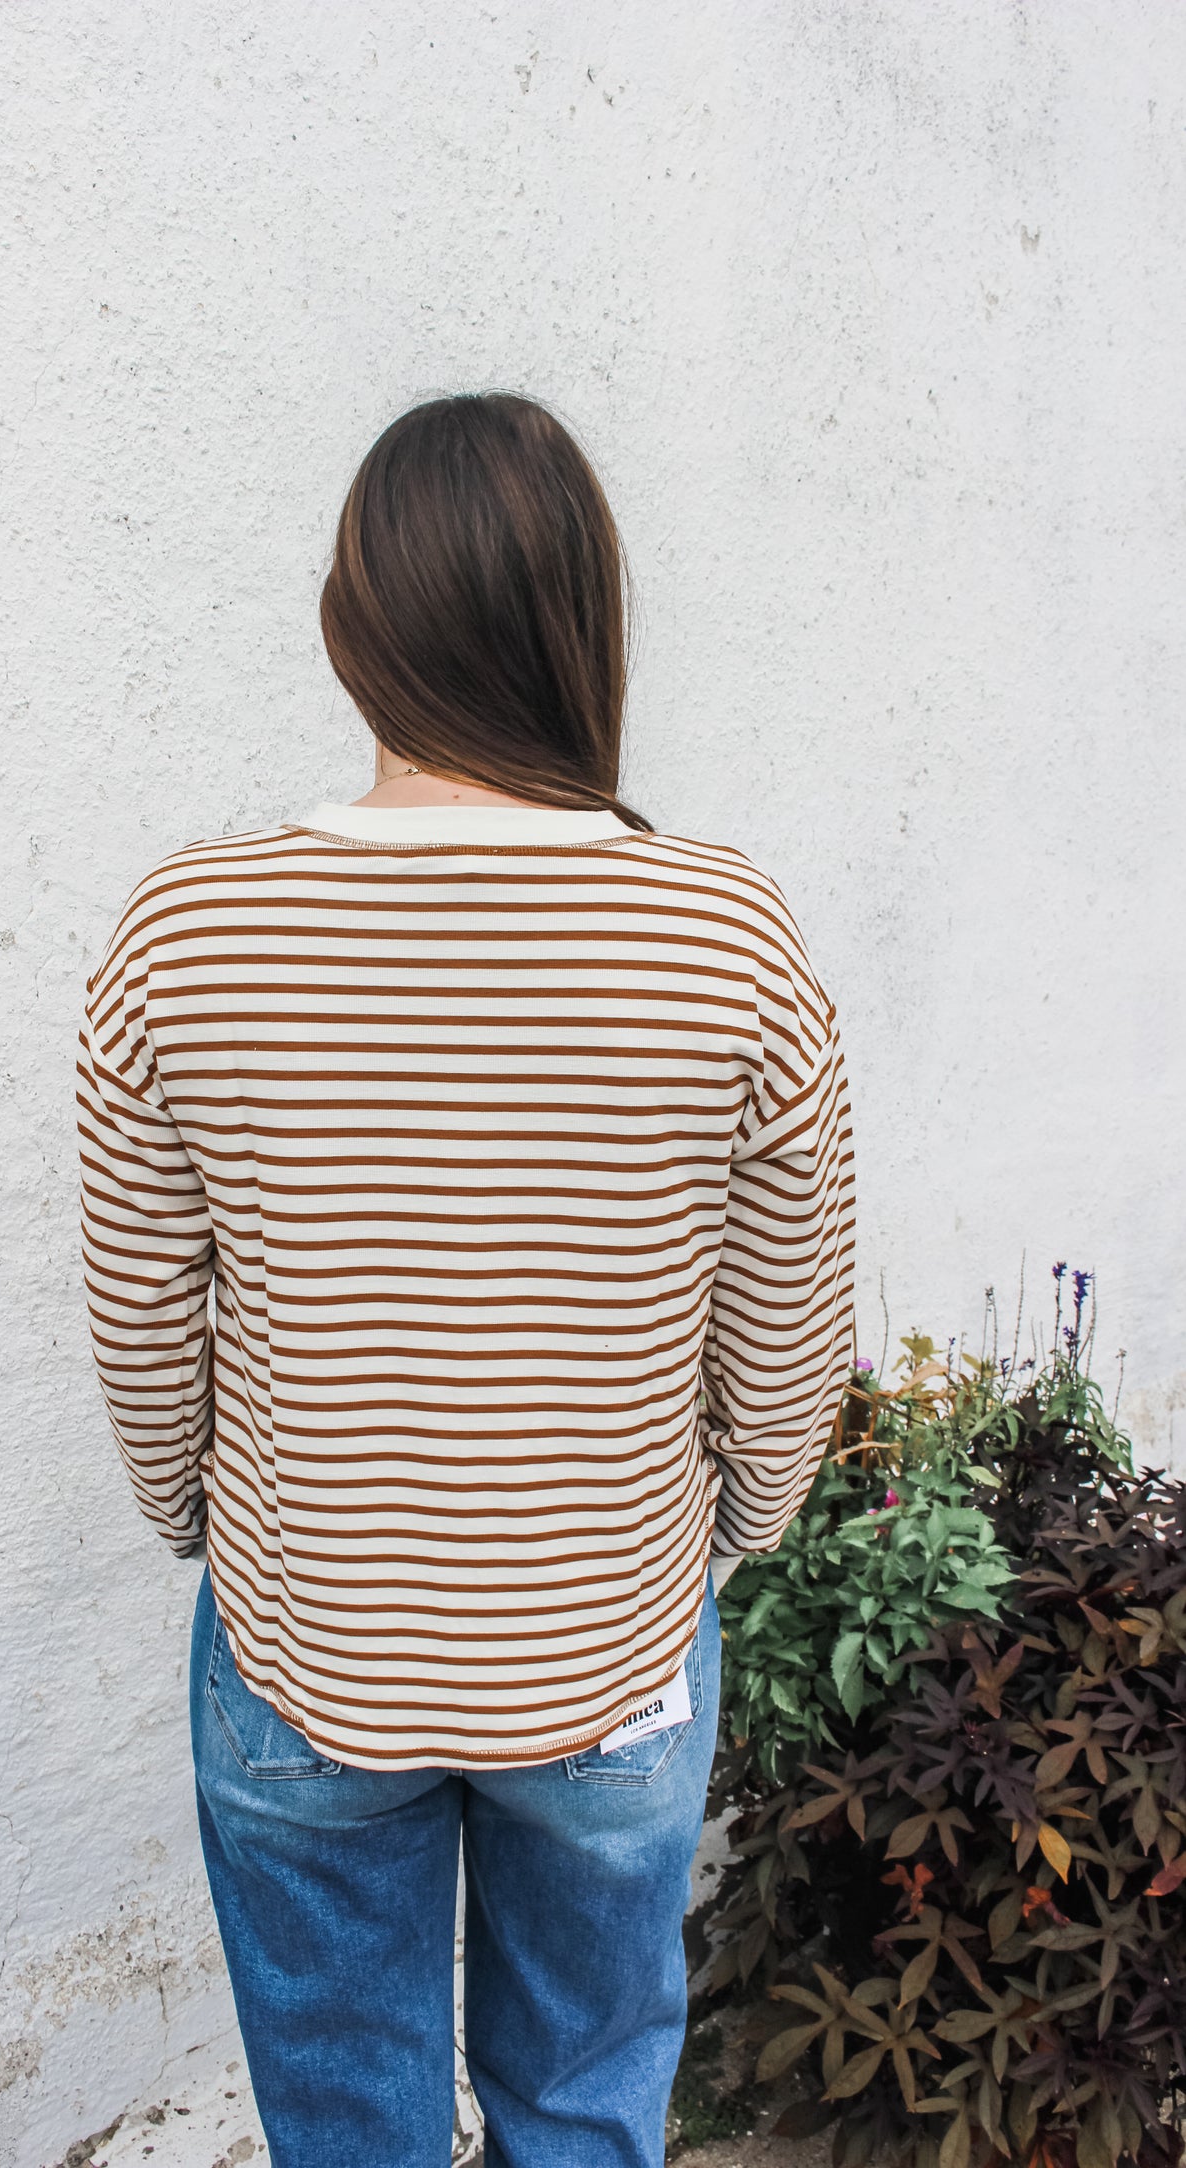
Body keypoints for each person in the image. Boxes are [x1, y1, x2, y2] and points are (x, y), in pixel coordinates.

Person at [77, 392, 855, 2168]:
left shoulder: (187, 926)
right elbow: (787, 1327)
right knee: (582, 2112)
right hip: (612, 1650)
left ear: (353, 628)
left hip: (302, 1645)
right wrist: (728, 1522)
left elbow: (144, 1324)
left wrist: (205, 1513)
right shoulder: (724, 928)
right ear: (587, 626)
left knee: (345, 2127)